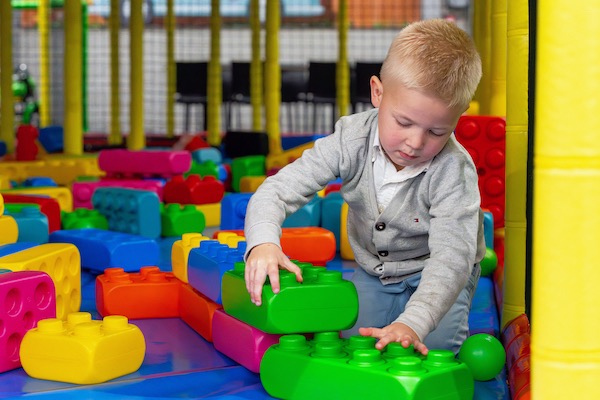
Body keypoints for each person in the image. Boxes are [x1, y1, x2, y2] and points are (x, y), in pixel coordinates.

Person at [243, 18, 486, 356]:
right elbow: (275, 191)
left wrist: (413, 322)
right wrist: (263, 244)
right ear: (378, 92)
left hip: (438, 270)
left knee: (430, 350)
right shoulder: (349, 140)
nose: (415, 142)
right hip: (376, 271)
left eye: (437, 132)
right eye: (403, 122)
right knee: (353, 345)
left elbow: (452, 258)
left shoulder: (452, 169)